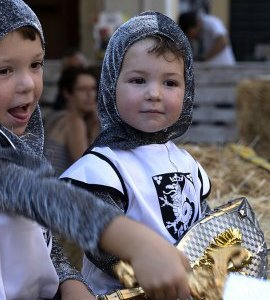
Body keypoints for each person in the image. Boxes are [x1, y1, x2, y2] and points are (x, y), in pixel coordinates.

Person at [0, 1, 192, 299]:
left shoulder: (9, 142)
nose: (27, 84)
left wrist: (68, 282)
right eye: (4, 70)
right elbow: (42, 196)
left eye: (36, 65)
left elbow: (39, 239)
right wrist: (137, 242)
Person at [60, 11, 212, 295]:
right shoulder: (104, 167)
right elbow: (100, 245)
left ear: (187, 90)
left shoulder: (186, 163)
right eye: (138, 81)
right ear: (111, 85)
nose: (154, 93)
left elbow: (203, 226)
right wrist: (147, 273)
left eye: (170, 83)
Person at [44, 67, 100, 176]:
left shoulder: (55, 116)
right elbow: (87, 167)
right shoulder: (74, 121)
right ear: (67, 93)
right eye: (82, 89)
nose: (90, 95)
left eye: (93, 89)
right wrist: (95, 125)